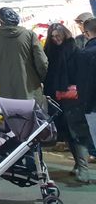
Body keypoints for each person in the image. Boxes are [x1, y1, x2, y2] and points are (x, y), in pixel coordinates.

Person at [44, 23, 91, 183]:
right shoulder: (49, 52)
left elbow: (81, 75)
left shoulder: (74, 51)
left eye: (58, 36)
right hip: (56, 99)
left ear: (65, 34)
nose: (56, 39)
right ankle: (78, 164)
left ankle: (84, 169)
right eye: (53, 37)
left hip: (73, 98)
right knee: (67, 134)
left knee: (77, 133)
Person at [0, 7, 48, 105]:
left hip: (7, 91)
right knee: (35, 118)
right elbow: (42, 62)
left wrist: (0, 75)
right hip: (31, 89)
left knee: (13, 118)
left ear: (0, 20)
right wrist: (39, 78)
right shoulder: (30, 35)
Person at [77, 18, 96, 157]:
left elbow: (84, 84)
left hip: (93, 105)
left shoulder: (85, 54)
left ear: (87, 33)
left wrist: (84, 106)